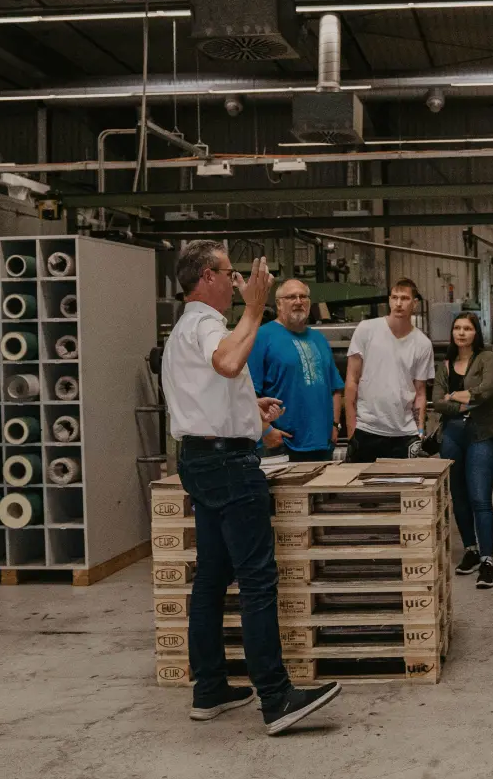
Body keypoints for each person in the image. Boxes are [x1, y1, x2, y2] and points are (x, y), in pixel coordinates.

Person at [159, 240, 341, 735]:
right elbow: (226, 363)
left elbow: (212, 387)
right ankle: (277, 698)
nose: (237, 280)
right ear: (206, 277)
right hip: (228, 466)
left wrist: (249, 411)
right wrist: (257, 309)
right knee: (258, 579)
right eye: (228, 271)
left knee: (213, 577)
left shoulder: (185, 329)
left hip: (202, 457)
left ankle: (211, 688)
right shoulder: (205, 323)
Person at [433, 313, 493, 589]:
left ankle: (487, 560)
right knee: (458, 496)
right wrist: (459, 403)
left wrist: (456, 396)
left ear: (476, 333)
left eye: (468, 328)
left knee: (480, 498)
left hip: (480, 434)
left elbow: (486, 391)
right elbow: (438, 402)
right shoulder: (446, 365)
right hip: (451, 435)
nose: (462, 333)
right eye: (457, 328)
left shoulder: (487, 359)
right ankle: (471, 550)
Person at [248, 278, 344, 462]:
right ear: (279, 304)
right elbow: (248, 393)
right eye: (291, 297)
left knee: (322, 491)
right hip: (281, 445)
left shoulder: (319, 339)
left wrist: (334, 425)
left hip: (322, 444)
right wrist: (266, 430)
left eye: (303, 297)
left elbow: (336, 388)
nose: (299, 301)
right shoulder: (262, 336)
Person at [344, 279, 435, 463]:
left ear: (414, 303)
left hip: (404, 434)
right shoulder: (367, 330)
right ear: (389, 300)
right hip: (367, 429)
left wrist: (419, 432)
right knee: (360, 489)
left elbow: (420, 393)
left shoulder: (423, 344)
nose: (399, 303)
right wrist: (351, 428)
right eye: (394, 298)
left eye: (405, 298)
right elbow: (352, 380)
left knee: (404, 489)